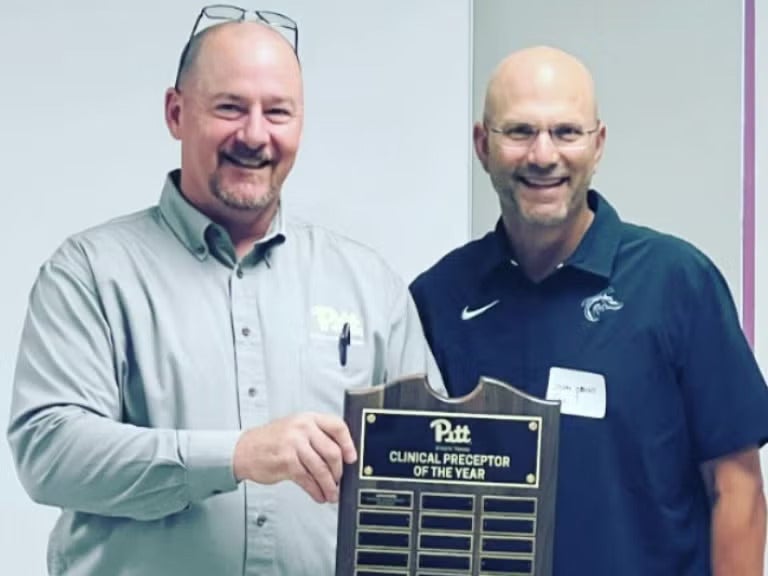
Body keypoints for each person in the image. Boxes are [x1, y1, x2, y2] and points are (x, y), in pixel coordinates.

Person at [8, 8, 443, 576]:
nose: (255, 135)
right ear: (176, 112)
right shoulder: (89, 272)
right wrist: (237, 456)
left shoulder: (368, 284)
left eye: (278, 112)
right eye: (230, 107)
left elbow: (427, 474)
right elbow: (51, 452)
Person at [410, 45, 768, 576]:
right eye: (519, 131)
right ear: (483, 145)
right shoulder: (438, 298)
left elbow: (735, 489)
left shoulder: (676, 283)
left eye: (566, 132)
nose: (543, 155)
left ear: (597, 145)